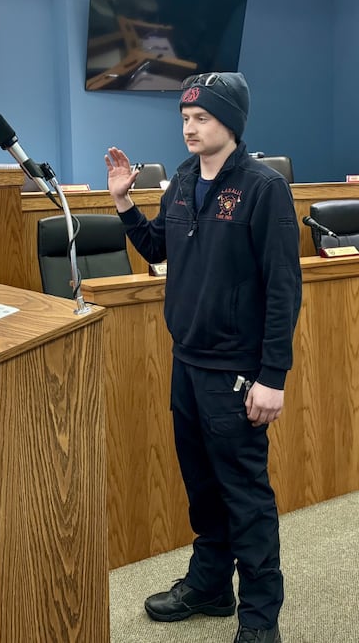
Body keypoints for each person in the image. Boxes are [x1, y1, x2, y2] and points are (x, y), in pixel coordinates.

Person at [105, 72, 301, 643]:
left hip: (236, 371)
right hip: (186, 362)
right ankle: (212, 584)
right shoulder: (184, 179)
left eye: (203, 119)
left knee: (246, 495)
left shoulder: (264, 188)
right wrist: (123, 205)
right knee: (202, 487)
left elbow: (284, 287)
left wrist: (272, 377)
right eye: (185, 119)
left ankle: (261, 619)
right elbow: (157, 248)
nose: (190, 128)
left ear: (231, 123)